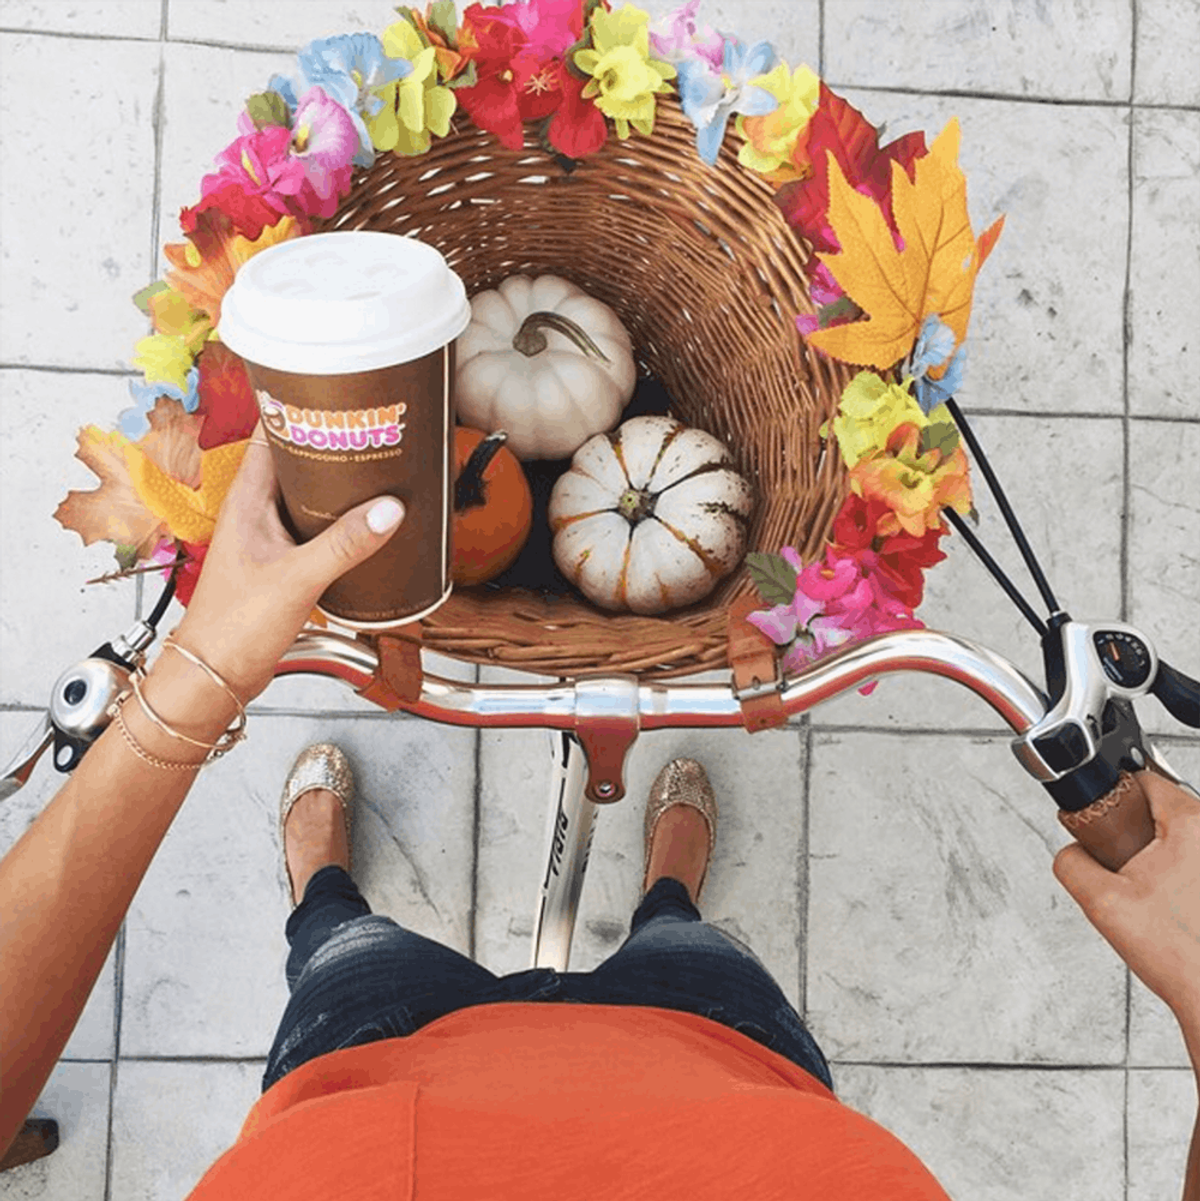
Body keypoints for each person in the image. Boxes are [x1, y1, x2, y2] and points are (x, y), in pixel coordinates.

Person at [1, 429, 1197, 1199]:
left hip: (360, 1071)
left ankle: (324, 881)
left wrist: (195, 677)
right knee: (689, 947)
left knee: (342, 951)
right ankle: (668, 887)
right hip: (723, 1062)